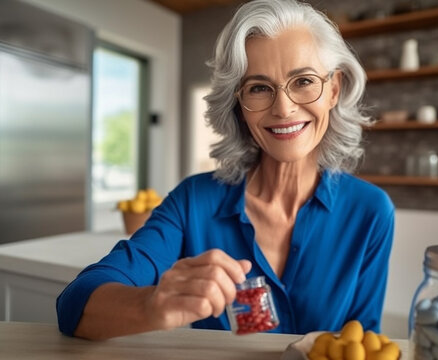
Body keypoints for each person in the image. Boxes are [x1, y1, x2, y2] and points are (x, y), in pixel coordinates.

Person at [57, 0, 394, 340]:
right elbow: (75, 302)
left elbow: (363, 339)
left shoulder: (370, 211)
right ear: (239, 106)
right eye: (259, 88)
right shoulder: (193, 201)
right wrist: (152, 305)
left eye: (303, 81)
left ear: (333, 90)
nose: (284, 108)